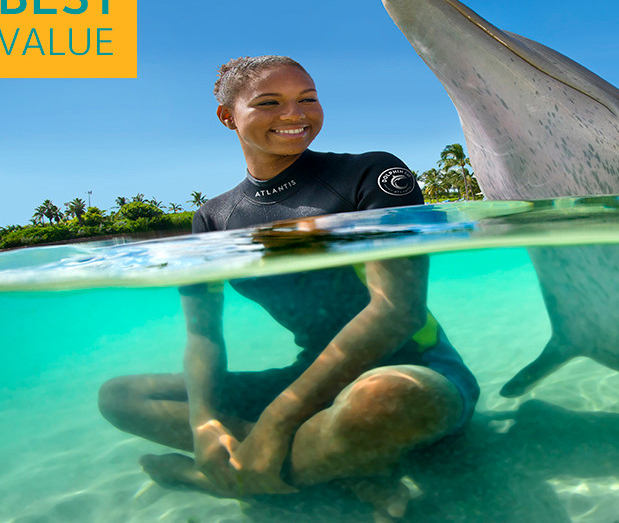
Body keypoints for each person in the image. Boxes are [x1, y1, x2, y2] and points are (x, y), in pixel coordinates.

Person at [97, 56, 479, 520]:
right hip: (306, 377)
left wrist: (278, 421)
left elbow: (397, 311)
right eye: (269, 102)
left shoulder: (369, 176)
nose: (295, 115)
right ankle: (337, 461)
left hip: (413, 370)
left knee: (384, 396)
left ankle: (241, 477)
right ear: (227, 117)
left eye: (308, 99)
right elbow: (203, 337)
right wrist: (205, 426)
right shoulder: (213, 219)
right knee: (121, 397)